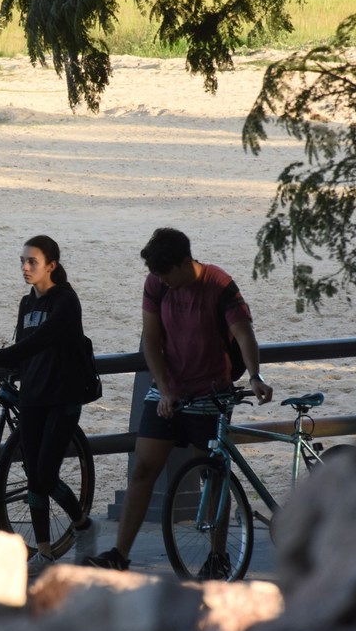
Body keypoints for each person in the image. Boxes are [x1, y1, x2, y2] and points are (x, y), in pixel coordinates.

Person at [82, 227, 272, 572]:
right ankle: (119, 555)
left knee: (212, 476)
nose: (163, 281)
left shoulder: (219, 285)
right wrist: (166, 389)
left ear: (186, 262)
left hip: (211, 395)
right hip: (167, 391)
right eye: (157, 275)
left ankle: (218, 556)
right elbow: (151, 340)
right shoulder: (156, 284)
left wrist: (255, 375)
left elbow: (245, 335)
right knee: (143, 469)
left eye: (167, 274)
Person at [0, 235, 96, 574]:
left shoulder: (66, 302)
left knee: (45, 475)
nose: (24, 267)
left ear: (51, 265)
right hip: (33, 396)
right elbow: (22, 348)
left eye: (32, 261)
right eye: (22, 260)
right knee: (35, 475)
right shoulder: (27, 303)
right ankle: (45, 551)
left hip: (63, 397)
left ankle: (82, 524)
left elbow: (40, 341)